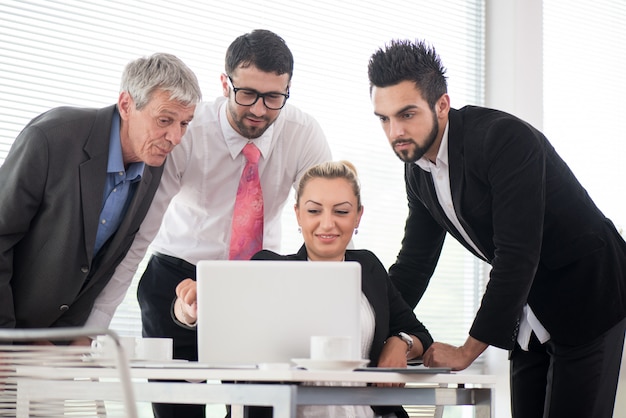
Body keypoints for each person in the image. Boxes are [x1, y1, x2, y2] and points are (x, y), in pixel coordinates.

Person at [367, 38, 626, 418]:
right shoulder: (417, 169)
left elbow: (517, 255)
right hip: (528, 312)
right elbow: (415, 263)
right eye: (384, 118)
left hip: (589, 295)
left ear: (442, 104)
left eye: (406, 114)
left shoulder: (503, 139)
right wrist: (374, 332)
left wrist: (467, 351)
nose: (394, 132)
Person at [87, 29, 331, 418]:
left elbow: (326, 228)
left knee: (262, 409)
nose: (259, 109)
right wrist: (94, 324)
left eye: (274, 97)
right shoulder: (186, 131)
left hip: (259, 281)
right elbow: (140, 234)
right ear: (225, 83)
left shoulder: (303, 134)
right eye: (247, 93)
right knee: (177, 409)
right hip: (176, 280)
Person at [175, 160, 433, 418]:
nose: (327, 224)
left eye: (341, 212)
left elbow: (419, 333)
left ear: (358, 216)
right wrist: (189, 309)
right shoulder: (268, 267)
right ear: (298, 214)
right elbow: (218, 322)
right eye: (314, 211)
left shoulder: (369, 268)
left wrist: (401, 343)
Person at [0, 53, 201, 342]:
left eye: (184, 124)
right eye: (165, 120)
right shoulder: (51, 138)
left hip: (55, 337)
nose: (175, 137)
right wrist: (8, 337)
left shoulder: (154, 162)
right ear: (126, 105)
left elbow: (103, 261)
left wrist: (77, 336)